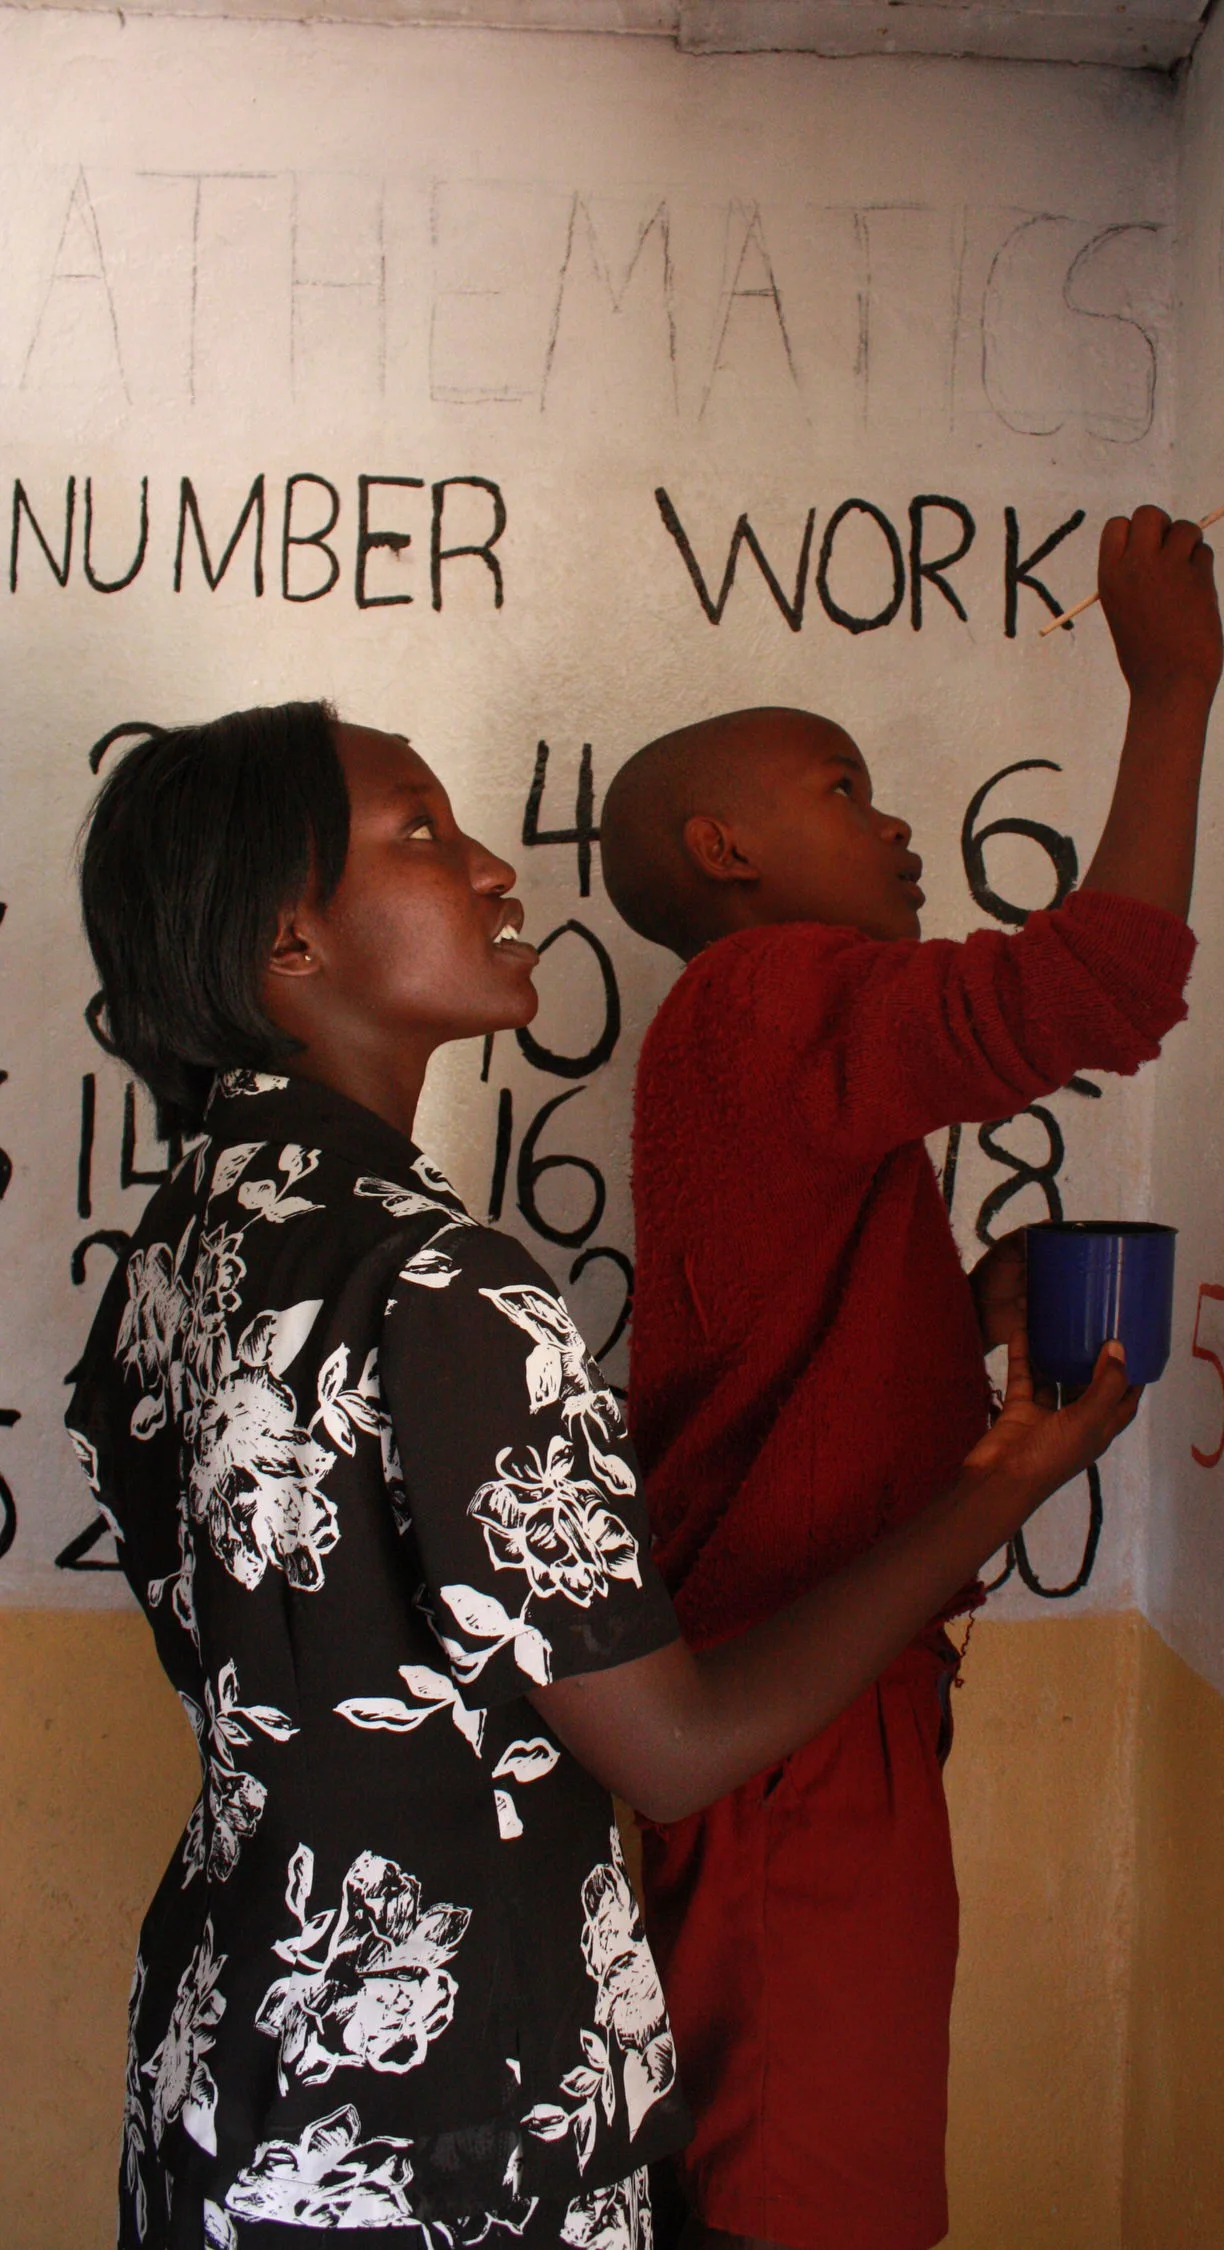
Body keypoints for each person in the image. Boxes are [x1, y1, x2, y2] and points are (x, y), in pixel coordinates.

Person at [65, 703, 1141, 2250]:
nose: (494, 867)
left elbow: (382, 1581)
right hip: (446, 2118)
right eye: (420, 830)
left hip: (228, 2068)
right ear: (288, 941)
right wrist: (1004, 1480)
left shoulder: (184, 1244)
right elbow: (675, 1747)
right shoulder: (440, 1282)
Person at [598, 506, 1224, 2250]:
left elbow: (783, 1369)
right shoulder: (758, 996)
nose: (895, 826)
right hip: (799, 1738)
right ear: (725, 847)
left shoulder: (755, 1045)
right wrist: (1172, 688)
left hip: (805, 1706)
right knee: (816, 2204)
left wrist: (957, 1312)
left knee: (787, 2176)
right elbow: (1089, 990)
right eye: (845, 786)